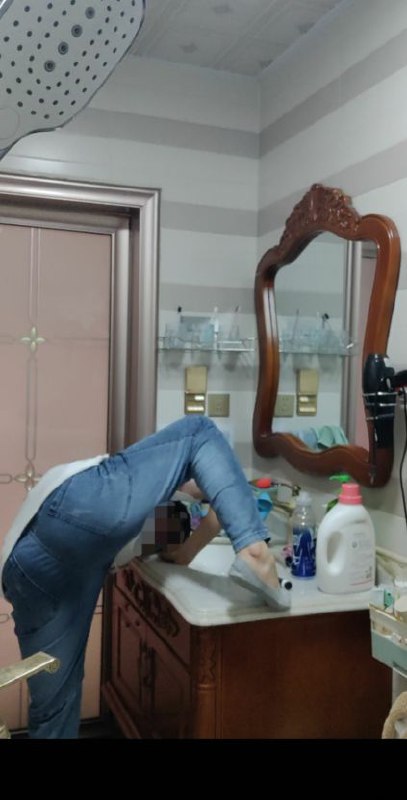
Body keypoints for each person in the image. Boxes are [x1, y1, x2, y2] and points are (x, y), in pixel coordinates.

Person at [0, 415, 290, 739]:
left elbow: (184, 550)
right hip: (69, 510)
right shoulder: (142, 487)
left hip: (26, 570)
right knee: (200, 429)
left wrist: (213, 503)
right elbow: (201, 461)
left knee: (55, 707)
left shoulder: (172, 512)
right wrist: (221, 502)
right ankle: (254, 550)